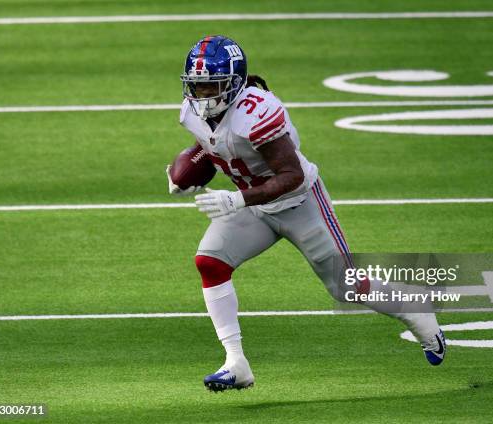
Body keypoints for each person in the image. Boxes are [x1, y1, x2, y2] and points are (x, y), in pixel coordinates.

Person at [167, 35, 446, 392]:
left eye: (212, 86)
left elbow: (291, 176)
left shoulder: (256, 113)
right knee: (211, 262)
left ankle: (414, 308)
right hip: (254, 205)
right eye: (198, 86)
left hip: (299, 202)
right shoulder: (191, 112)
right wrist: (184, 172)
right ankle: (235, 362)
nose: (203, 95)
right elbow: (208, 145)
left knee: (348, 287)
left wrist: (236, 200)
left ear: (234, 82)